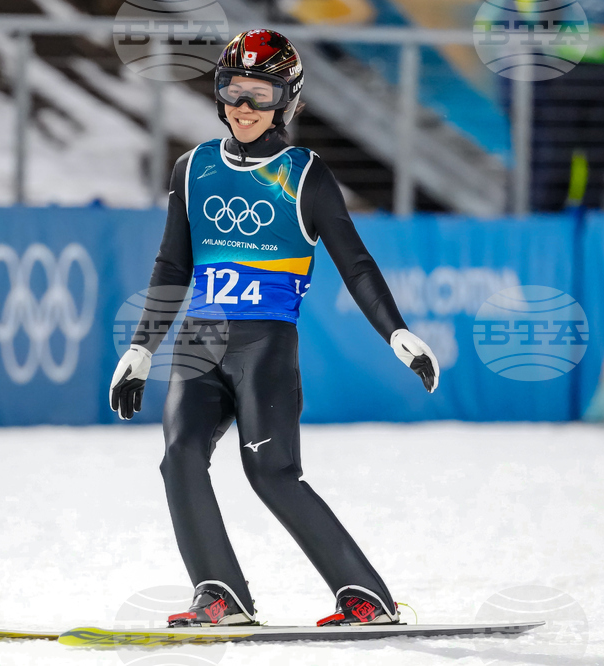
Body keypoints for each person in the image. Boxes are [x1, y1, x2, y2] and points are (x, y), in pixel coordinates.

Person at [109, 29, 439, 628]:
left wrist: (397, 332)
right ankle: (220, 595)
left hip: (264, 348)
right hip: (198, 343)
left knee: (271, 473)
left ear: (286, 101)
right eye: (233, 90)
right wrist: (139, 348)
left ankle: (367, 597)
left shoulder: (306, 175)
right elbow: (171, 265)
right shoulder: (193, 167)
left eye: (260, 95)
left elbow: (355, 262)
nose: (243, 107)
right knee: (179, 456)